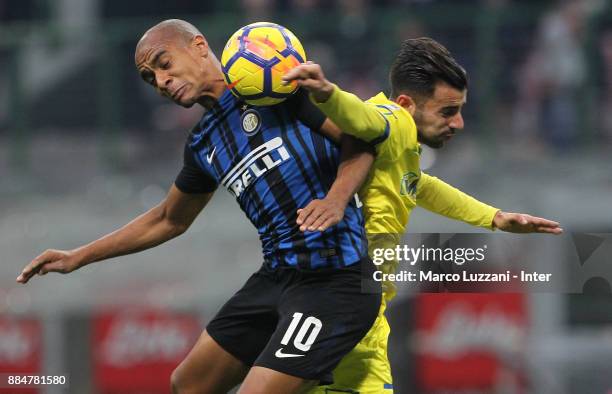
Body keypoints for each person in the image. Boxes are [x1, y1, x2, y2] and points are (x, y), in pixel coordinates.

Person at [16, 19, 382, 394]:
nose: (160, 82)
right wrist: (78, 256)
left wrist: (337, 198)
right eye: (149, 78)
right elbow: (168, 219)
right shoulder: (204, 143)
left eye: (164, 63)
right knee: (188, 383)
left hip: (337, 280)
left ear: (199, 46)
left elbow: (361, 142)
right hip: (277, 277)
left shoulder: (274, 87)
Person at [284, 37, 562, 393]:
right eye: (447, 111)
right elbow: (362, 117)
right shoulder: (392, 120)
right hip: (347, 305)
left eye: (460, 110)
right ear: (406, 105)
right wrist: (327, 93)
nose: (458, 123)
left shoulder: (400, 147)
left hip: (352, 307)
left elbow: (424, 186)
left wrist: (493, 217)